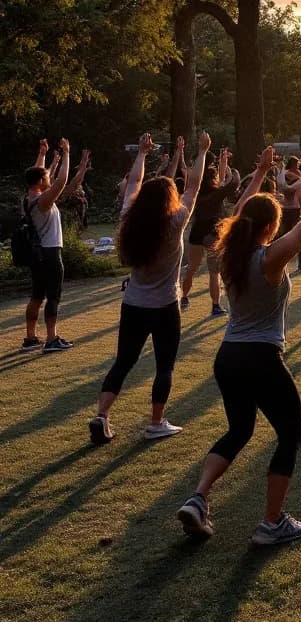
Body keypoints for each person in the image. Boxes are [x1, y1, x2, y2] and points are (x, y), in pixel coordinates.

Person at [176, 144, 301, 546]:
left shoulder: (230, 252)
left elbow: (240, 212)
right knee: (291, 432)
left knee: (239, 430)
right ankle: (272, 522)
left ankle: (197, 498)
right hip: (261, 357)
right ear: (270, 227)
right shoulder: (269, 259)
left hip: (228, 356)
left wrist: (262, 171)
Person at [89, 133, 211, 444]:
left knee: (123, 361)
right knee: (164, 366)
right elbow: (194, 186)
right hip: (164, 306)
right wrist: (202, 152)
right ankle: (157, 422)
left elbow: (132, 184)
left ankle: (101, 415)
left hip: (133, 303)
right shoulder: (175, 222)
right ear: (171, 199)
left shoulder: (130, 218)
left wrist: (142, 153)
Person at [21, 138, 90, 353]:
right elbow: (61, 182)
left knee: (36, 296)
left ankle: (30, 338)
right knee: (53, 296)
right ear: (40, 181)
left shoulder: (27, 198)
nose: (48, 176)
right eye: (45, 176)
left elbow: (39, 172)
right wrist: (67, 153)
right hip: (50, 253)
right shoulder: (43, 201)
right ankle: (51, 339)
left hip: (37, 254)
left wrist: (42, 153)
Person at [180, 148, 239, 315]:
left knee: (192, 268)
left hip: (197, 232)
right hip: (212, 233)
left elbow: (217, 179)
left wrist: (222, 161)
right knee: (214, 272)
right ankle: (215, 305)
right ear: (212, 178)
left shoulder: (197, 193)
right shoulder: (216, 193)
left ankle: (184, 297)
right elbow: (234, 182)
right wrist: (231, 169)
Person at [277, 155, 301, 274]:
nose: (298, 165)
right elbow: (286, 187)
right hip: (287, 208)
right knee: (285, 235)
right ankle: (284, 262)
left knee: (295, 235)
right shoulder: (288, 174)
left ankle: (300, 262)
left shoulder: (296, 173)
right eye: (297, 163)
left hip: (294, 207)